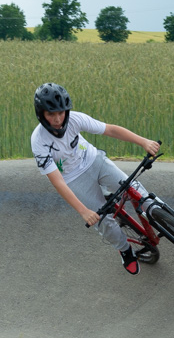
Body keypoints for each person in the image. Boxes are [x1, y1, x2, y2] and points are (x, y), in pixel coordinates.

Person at [30, 82, 160, 276]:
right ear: (41, 114)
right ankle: (125, 251)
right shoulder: (39, 141)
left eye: (61, 112)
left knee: (132, 187)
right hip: (74, 180)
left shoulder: (75, 119)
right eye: (51, 114)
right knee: (103, 221)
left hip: (95, 161)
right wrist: (84, 212)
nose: (58, 119)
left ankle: (162, 213)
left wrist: (143, 141)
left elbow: (110, 130)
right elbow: (57, 181)